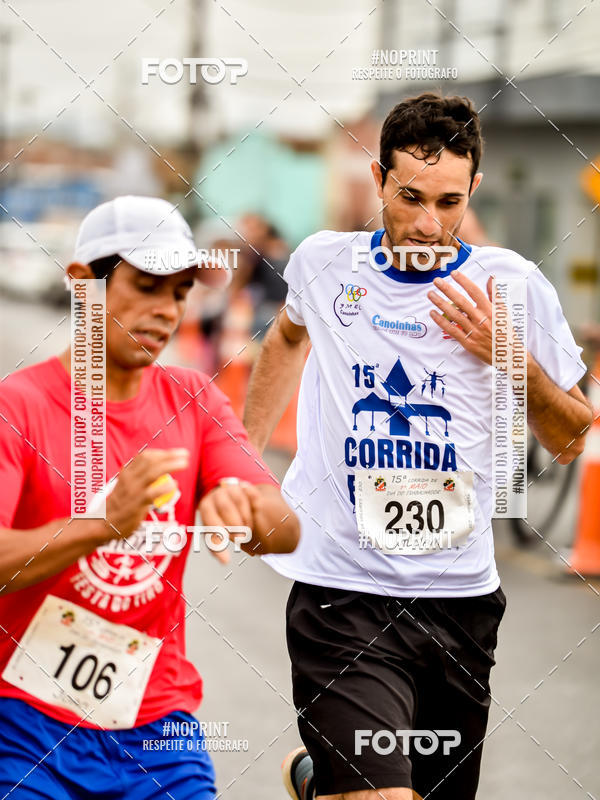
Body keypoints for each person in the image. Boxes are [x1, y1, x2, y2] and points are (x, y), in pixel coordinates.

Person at [243, 94, 592, 800]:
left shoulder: (512, 287)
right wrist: (243, 464)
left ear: (475, 191)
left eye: (449, 201)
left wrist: (510, 359)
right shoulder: (325, 265)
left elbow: (569, 437)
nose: (429, 224)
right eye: (410, 197)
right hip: (342, 595)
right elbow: (284, 339)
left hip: (460, 604)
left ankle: (320, 783)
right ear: (378, 180)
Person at [0, 195, 299, 799]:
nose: (166, 310)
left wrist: (239, 502)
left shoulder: (192, 399)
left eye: (180, 291)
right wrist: (102, 523)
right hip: (24, 722)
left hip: (160, 726)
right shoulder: (17, 406)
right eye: (146, 286)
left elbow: (285, 530)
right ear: (83, 281)